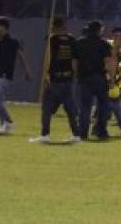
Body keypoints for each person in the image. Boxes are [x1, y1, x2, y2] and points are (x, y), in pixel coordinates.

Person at [30, 16, 80, 144]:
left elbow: (48, 59)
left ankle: (45, 135)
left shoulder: (51, 40)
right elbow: (75, 60)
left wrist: (46, 76)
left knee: (47, 108)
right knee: (69, 109)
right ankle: (76, 135)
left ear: (53, 26)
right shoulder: (71, 39)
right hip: (67, 79)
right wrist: (73, 75)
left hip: (55, 79)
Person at [0, 16, 32, 136]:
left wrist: (27, 71)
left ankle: (9, 121)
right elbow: (0, 55)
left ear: (4, 27)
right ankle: (3, 126)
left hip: (6, 74)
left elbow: (21, 57)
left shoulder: (13, 41)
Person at [74, 20, 115, 140]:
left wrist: (77, 74)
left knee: (85, 106)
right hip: (99, 77)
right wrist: (111, 78)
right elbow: (108, 62)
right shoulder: (104, 44)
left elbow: (75, 62)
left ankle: (83, 133)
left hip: (84, 77)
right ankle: (101, 131)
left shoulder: (79, 42)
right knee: (103, 105)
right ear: (100, 30)